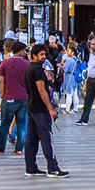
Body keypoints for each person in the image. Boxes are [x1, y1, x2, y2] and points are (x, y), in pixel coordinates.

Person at [24, 43, 69, 177]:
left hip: (32, 107)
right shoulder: (37, 70)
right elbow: (41, 89)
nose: (44, 57)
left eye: (45, 54)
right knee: (46, 137)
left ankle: (30, 167)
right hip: (40, 109)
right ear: (33, 56)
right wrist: (50, 108)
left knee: (31, 138)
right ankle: (53, 168)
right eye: (41, 54)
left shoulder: (30, 69)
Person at [0, 40, 32, 154]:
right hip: (24, 98)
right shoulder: (28, 64)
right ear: (20, 52)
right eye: (24, 51)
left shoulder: (5, 63)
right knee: (21, 124)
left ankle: (0, 148)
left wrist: (3, 95)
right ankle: (19, 149)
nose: (25, 53)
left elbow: (1, 81)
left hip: (9, 98)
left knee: (5, 124)